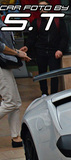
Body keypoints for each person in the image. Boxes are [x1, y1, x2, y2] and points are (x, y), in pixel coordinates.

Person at [0, 18, 32, 147]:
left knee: (16, 102)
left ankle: (16, 137)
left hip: (4, 65)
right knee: (10, 102)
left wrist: (17, 50)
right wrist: (17, 53)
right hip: (1, 66)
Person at [26, 0, 68, 96]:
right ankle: (44, 93)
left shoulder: (58, 21)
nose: (42, 9)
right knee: (42, 73)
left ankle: (54, 94)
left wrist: (60, 49)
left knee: (54, 73)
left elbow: (64, 37)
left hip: (54, 52)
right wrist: (27, 47)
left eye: (44, 6)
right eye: (40, 7)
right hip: (41, 51)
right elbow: (31, 37)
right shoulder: (37, 22)